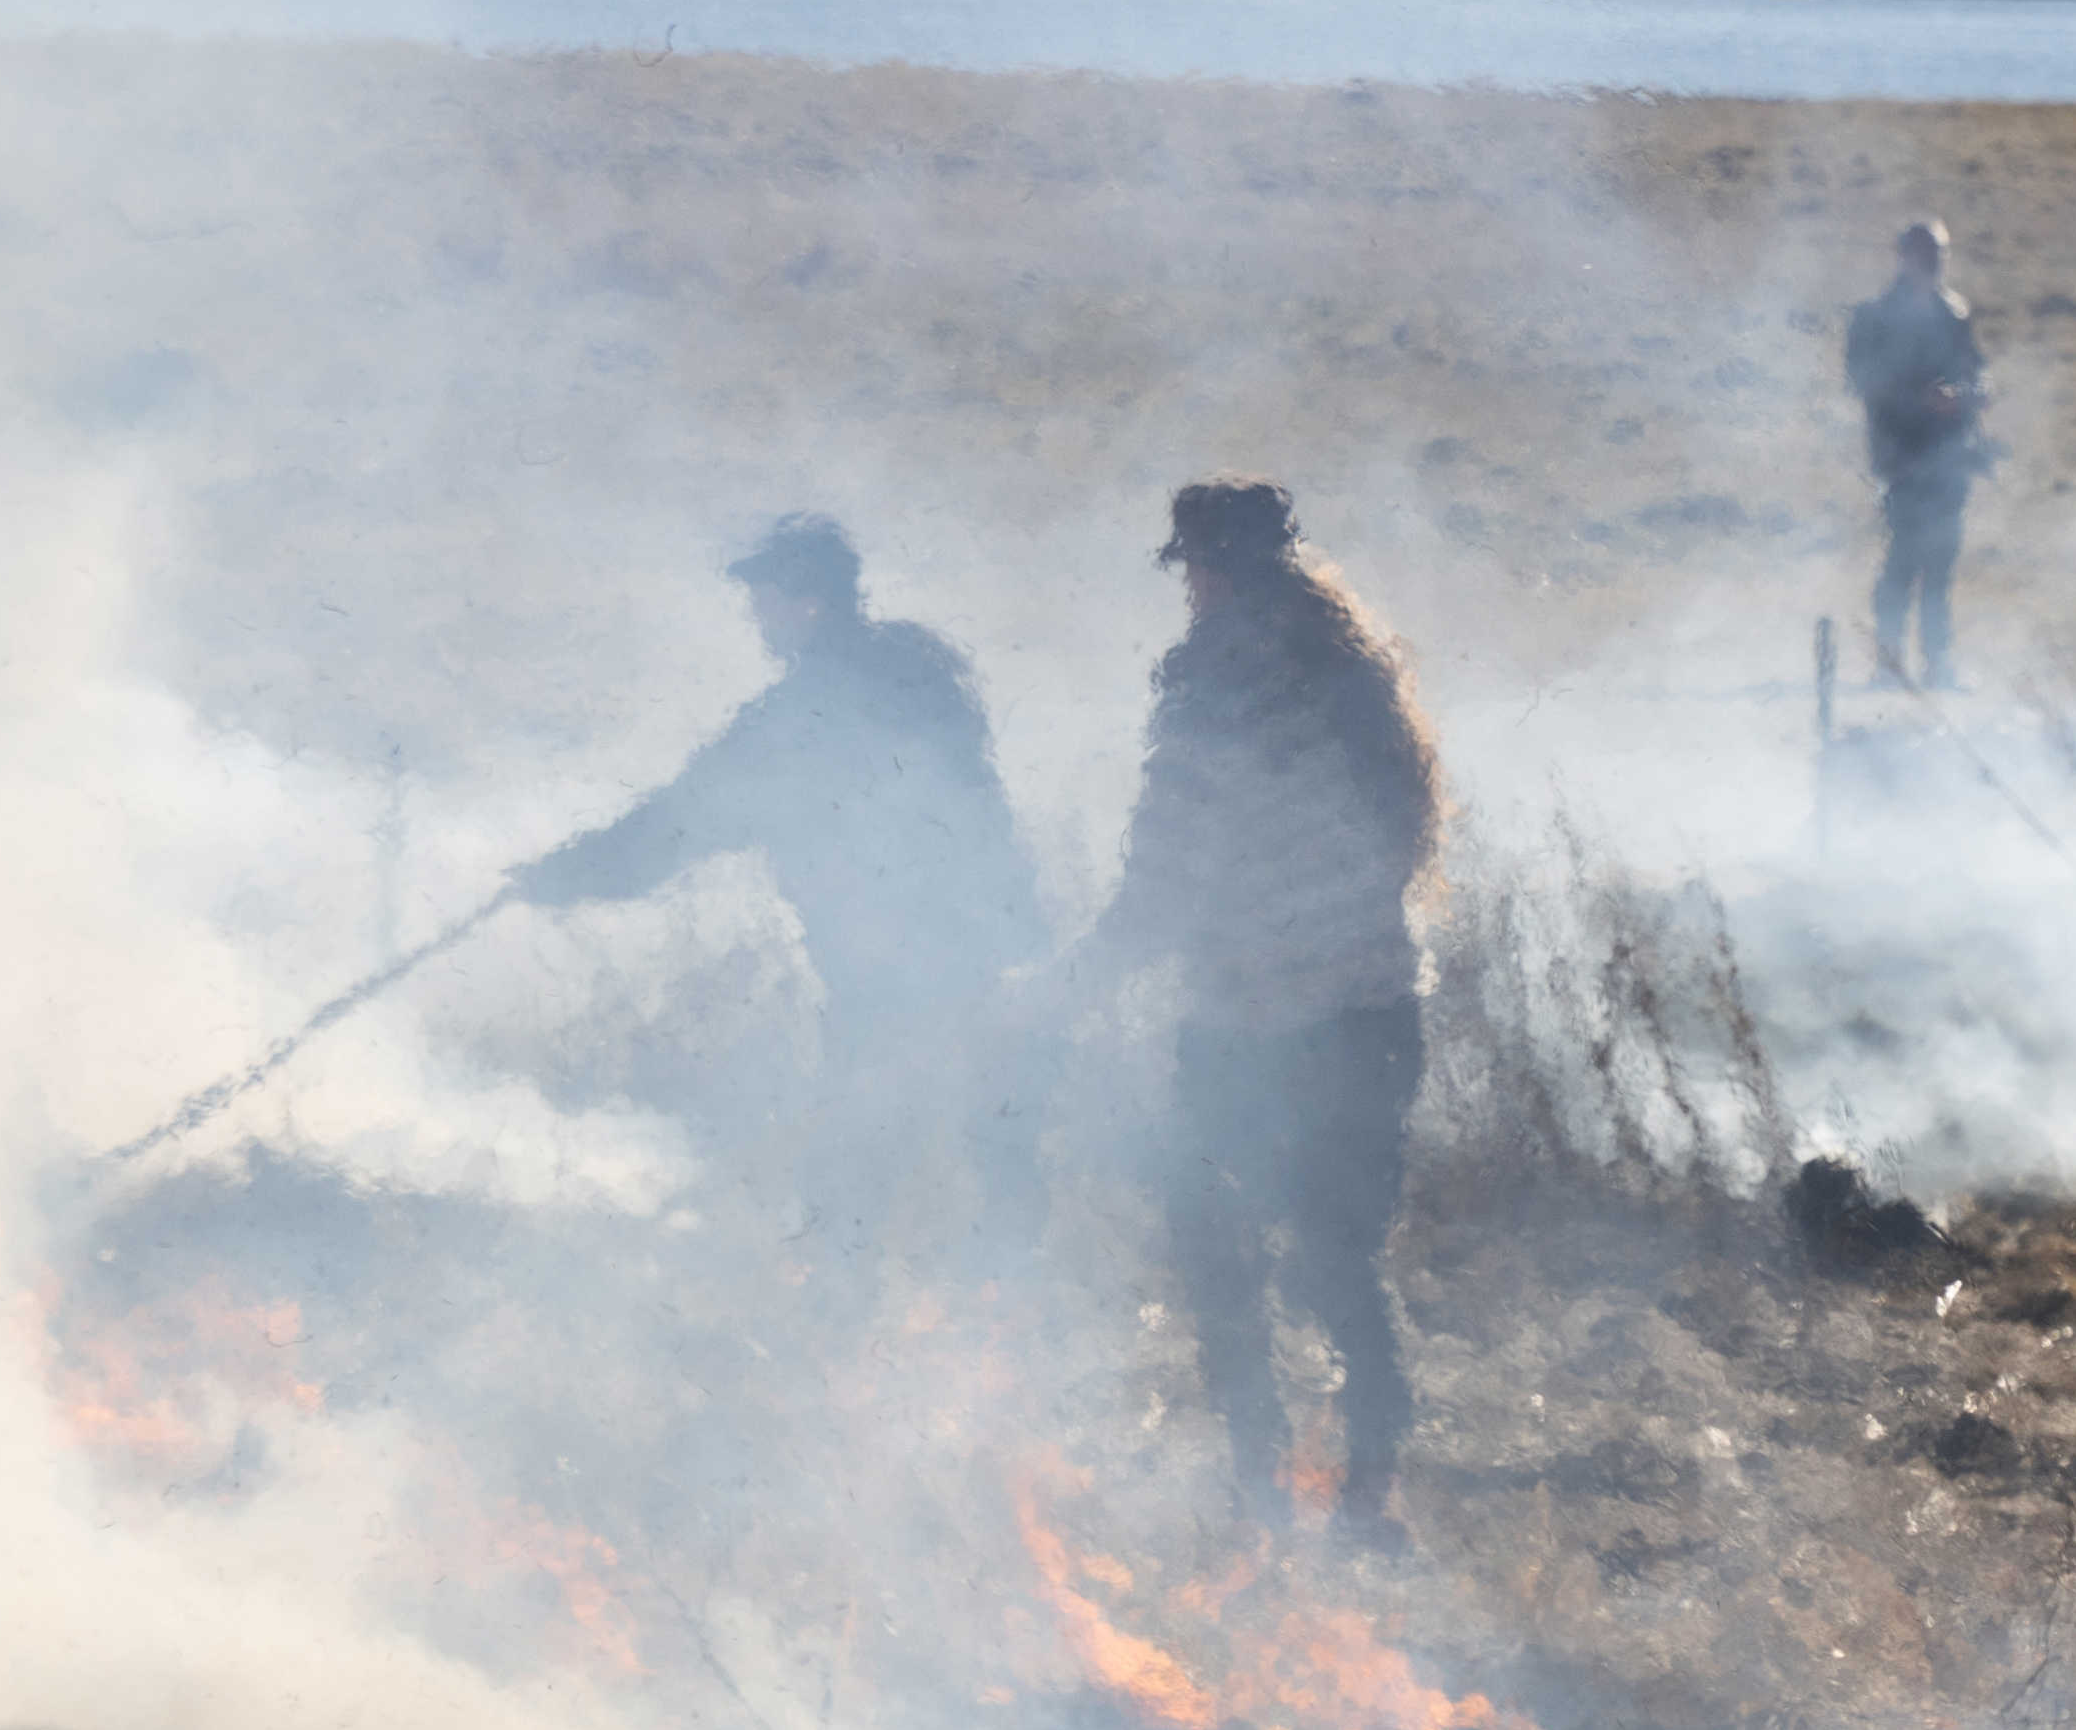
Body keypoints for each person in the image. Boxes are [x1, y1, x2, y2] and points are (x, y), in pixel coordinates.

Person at [504, 513, 1048, 1280]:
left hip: (888, 974)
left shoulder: (801, 714)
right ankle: (1026, 1314)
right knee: (995, 1149)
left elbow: (685, 819)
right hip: (981, 952)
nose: (756, 619)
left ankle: (843, 1320)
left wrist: (563, 876)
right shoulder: (916, 673)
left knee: (859, 1164)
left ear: (806, 603)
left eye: (764, 601)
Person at [1069, 477, 1444, 1551]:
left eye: (1190, 570)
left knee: (1216, 1250)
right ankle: (1367, 1505)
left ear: (1207, 573)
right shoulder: (1356, 682)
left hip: (1251, 1028)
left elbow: (1166, 876)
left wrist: (1076, 981)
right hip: (1373, 1014)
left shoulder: (1212, 686)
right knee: (1338, 1260)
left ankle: (1262, 1497)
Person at [1841, 219, 1990, 691]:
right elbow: (1864, 381)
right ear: (1903, 257)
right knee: (1903, 562)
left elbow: (1977, 374)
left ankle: (1938, 665)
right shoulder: (1874, 317)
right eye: (1925, 255)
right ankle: (1888, 667)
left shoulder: (1954, 314)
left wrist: (1964, 396)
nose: (1933, 264)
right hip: (1901, 457)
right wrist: (1919, 398)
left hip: (1950, 458)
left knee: (1941, 565)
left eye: (1939, 255)